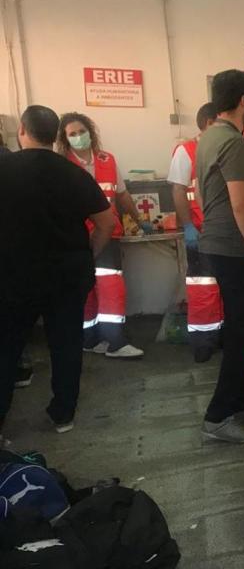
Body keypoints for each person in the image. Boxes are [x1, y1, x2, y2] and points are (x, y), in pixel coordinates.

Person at [0, 105, 116, 438]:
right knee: (66, 344)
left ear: (22, 130)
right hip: (67, 275)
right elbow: (106, 222)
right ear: (56, 136)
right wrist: (87, 252)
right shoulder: (74, 174)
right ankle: (63, 414)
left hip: (13, 277)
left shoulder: (4, 168)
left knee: (7, 347)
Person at [197, 69, 244, 443]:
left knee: (239, 325)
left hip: (218, 243)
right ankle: (218, 415)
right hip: (235, 248)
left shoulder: (209, 136)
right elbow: (241, 205)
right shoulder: (234, 144)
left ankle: (239, 400)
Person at [57, 112, 146, 359]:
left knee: (110, 286)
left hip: (107, 234)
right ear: (65, 139)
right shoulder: (62, 164)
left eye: (81, 132)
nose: (78, 137)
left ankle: (115, 340)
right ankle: (91, 338)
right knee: (86, 290)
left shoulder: (107, 160)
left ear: (90, 132)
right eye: (72, 134)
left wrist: (139, 220)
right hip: (77, 236)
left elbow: (122, 195)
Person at [168, 102, 223, 363]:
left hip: (223, 231)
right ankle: (203, 342)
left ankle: (222, 336)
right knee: (202, 288)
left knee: (224, 287)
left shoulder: (227, 148)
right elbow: (178, 191)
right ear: (210, 122)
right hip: (199, 231)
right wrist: (188, 225)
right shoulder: (186, 150)